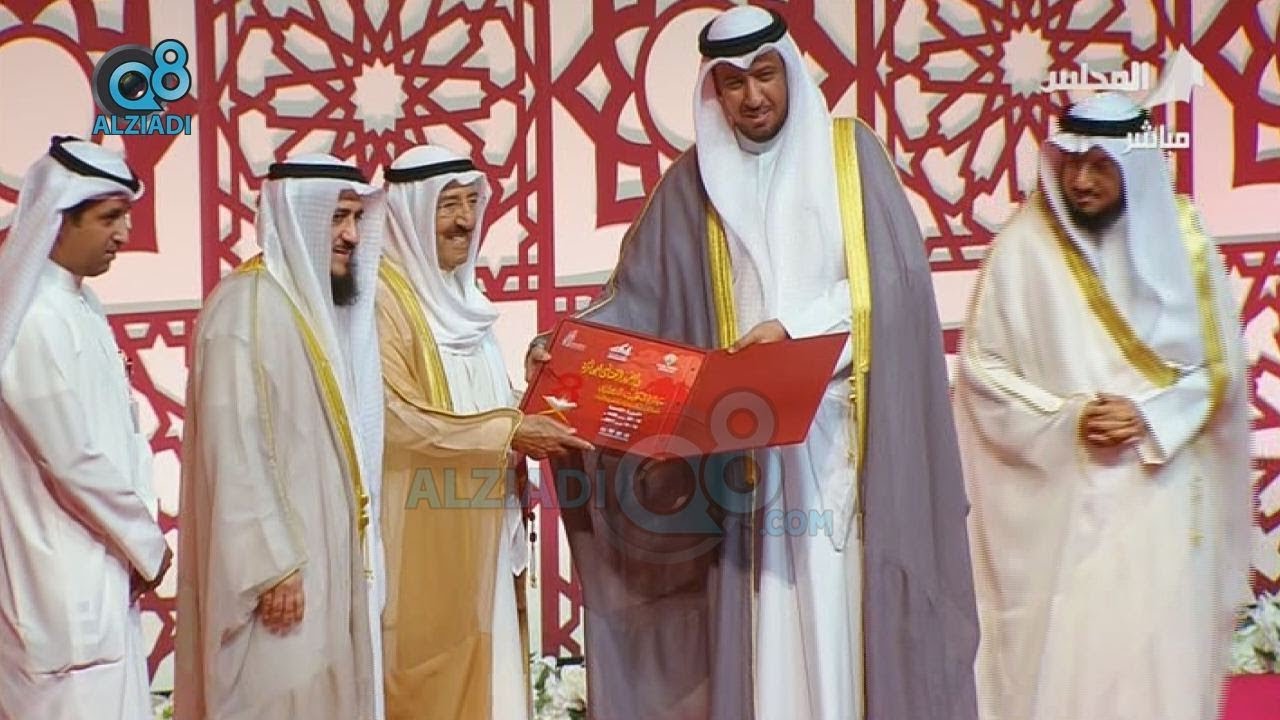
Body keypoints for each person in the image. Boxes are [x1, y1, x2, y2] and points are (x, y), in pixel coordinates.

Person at [525, 6, 978, 719]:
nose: (752, 96)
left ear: (789, 71)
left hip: (840, 445)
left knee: (839, 612)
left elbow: (890, 284)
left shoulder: (849, 156)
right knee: (764, 629)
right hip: (743, 455)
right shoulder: (691, 184)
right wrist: (567, 353)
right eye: (733, 83)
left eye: (764, 75)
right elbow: (638, 301)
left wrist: (791, 331)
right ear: (715, 90)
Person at [955, 93, 1251, 720]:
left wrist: (1149, 417)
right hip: (1067, 505)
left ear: (1133, 167)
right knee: (1073, 672)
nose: (1081, 181)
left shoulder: (1184, 238)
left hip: (1159, 492)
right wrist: (1068, 418)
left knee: (1157, 670)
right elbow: (983, 371)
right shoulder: (1022, 247)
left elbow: (1219, 372)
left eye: (1100, 165)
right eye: (1071, 163)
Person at [377, 144, 589, 720]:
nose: (465, 221)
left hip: (487, 532)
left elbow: (477, 407)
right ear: (409, 213)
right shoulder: (383, 304)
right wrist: (512, 432)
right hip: (421, 540)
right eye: (448, 205)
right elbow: (399, 420)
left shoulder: (467, 300)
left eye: (472, 203)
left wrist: (534, 393)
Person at [176, 154, 387, 720]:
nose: (351, 235)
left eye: (357, 218)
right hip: (279, 584)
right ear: (298, 216)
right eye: (337, 217)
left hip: (322, 569)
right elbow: (234, 453)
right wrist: (273, 565)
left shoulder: (308, 309)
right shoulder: (244, 308)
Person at [0, 137, 171, 720]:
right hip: (56, 581)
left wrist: (136, 545)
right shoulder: (32, 319)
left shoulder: (82, 305)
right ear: (59, 219)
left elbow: (119, 436)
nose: (124, 233)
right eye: (109, 218)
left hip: (105, 566)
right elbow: (69, 458)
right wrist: (145, 543)